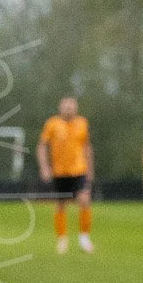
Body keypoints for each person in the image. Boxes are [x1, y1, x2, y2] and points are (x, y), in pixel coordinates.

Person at [38, 96, 95, 254]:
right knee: (61, 203)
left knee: (84, 199)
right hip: (59, 171)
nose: (69, 109)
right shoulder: (52, 124)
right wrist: (44, 167)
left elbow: (87, 147)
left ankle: (84, 239)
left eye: (72, 106)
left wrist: (90, 170)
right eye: (66, 106)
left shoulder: (82, 123)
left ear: (76, 108)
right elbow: (42, 146)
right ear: (60, 108)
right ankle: (62, 239)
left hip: (79, 169)